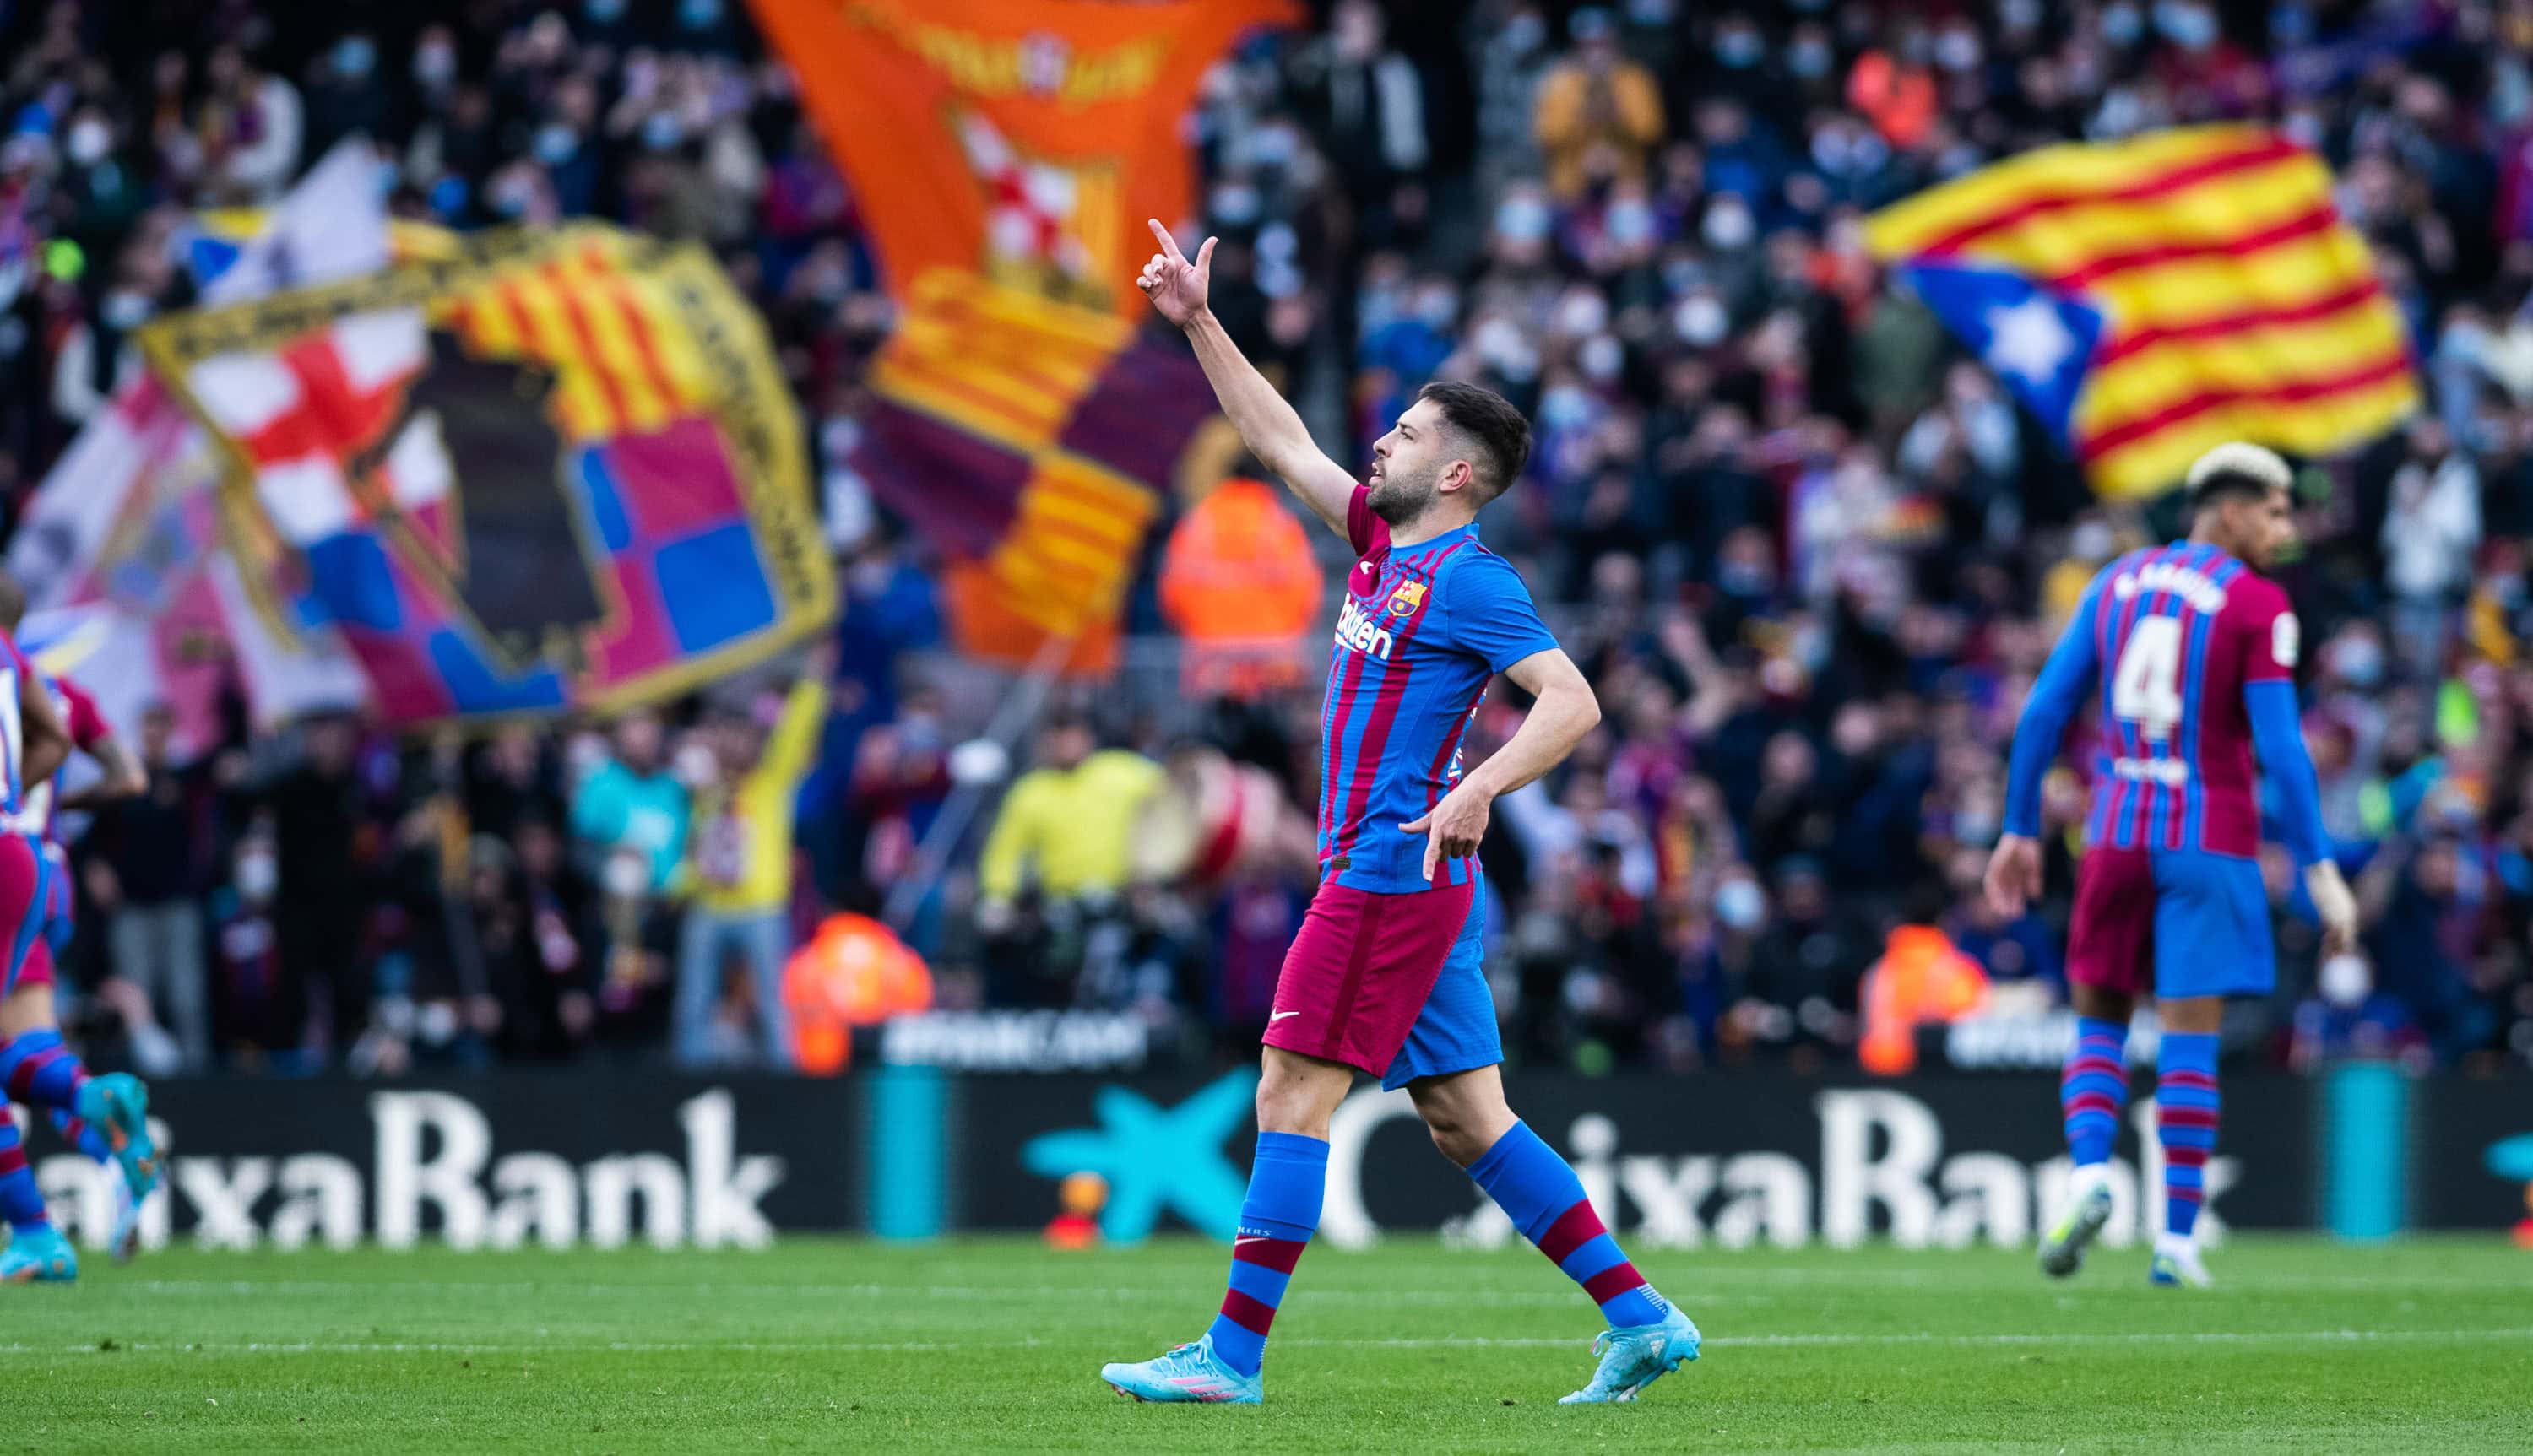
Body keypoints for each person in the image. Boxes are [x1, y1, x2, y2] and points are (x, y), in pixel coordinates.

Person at [1100, 219, 1695, 1406]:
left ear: (1459, 473)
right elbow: (1278, 441)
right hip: (1402, 874)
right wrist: (1201, 322)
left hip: (1389, 867)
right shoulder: (1379, 541)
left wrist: (1478, 787)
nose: (1383, 439)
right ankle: (1641, 1317)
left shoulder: (1474, 578)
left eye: (1411, 432)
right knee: (1469, 1119)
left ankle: (1231, 1356)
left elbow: (1570, 704)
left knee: (1289, 1088)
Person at [1985, 443, 2358, 1290]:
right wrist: (2319, 864)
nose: (2285, 529)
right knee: (2189, 1041)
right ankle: (2177, 1243)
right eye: (2274, 511)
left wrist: (2017, 829)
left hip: (2113, 837)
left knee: (2099, 1024)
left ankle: (2086, 1178)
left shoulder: (2114, 581)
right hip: (2207, 839)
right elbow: (2281, 748)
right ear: (2228, 511)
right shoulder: (2257, 602)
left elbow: (2044, 708)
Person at [0, 617, 150, 1282]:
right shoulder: (55, 688)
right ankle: (98, 1112)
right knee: (29, 1050)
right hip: (44, 875)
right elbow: (130, 778)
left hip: (12, 866)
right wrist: (68, 806)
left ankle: (34, 1227)